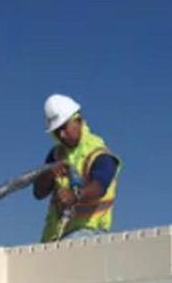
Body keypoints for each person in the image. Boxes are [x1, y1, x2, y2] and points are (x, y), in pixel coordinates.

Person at [33, 94, 121, 241]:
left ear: (77, 121)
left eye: (64, 128)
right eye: (56, 131)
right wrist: (48, 175)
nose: (61, 134)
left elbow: (99, 187)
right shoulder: (56, 155)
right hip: (55, 235)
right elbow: (38, 193)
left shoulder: (100, 154)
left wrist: (76, 195)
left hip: (91, 233)